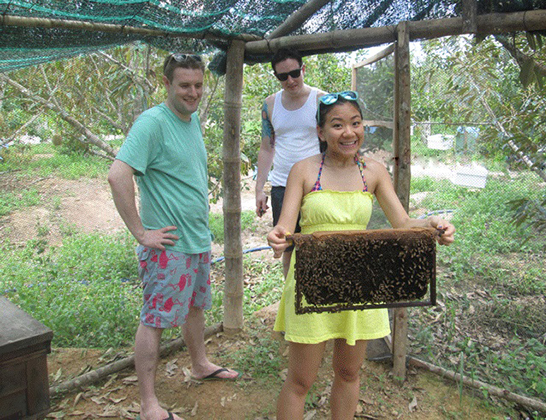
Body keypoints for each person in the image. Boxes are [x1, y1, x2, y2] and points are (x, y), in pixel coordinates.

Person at [267, 91, 455, 420]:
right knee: (300, 381)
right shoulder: (304, 170)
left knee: (350, 374)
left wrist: (431, 225)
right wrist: (278, 237)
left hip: (360, 283)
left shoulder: (375, 172)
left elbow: (404, 223)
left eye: (355, 123)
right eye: (337, 125)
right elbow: (285, 226)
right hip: (313, 282)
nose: (349, 132)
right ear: (320, 132)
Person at [108, 53, 239, 420]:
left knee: (194, 307)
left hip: (195, 240)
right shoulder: (152, 122)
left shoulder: (191, 118)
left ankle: (199, 364)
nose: (193, 92)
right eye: (185, 85)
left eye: (198, 85)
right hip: (167, 247)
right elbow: (118, 176)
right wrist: (140, 233)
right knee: (155, 318)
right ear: (166, 84)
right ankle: (149, 403)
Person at [255, 48, 326, 277]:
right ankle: (291, 300)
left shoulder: (321, 100)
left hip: (317, 185)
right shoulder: (270, 104)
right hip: (282, 186)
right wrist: (259, 189)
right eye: (283, 76)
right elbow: (267, 148)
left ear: (303, 69)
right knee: (287, 247)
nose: (290, 80)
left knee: (320, 244)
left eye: (295, 73)